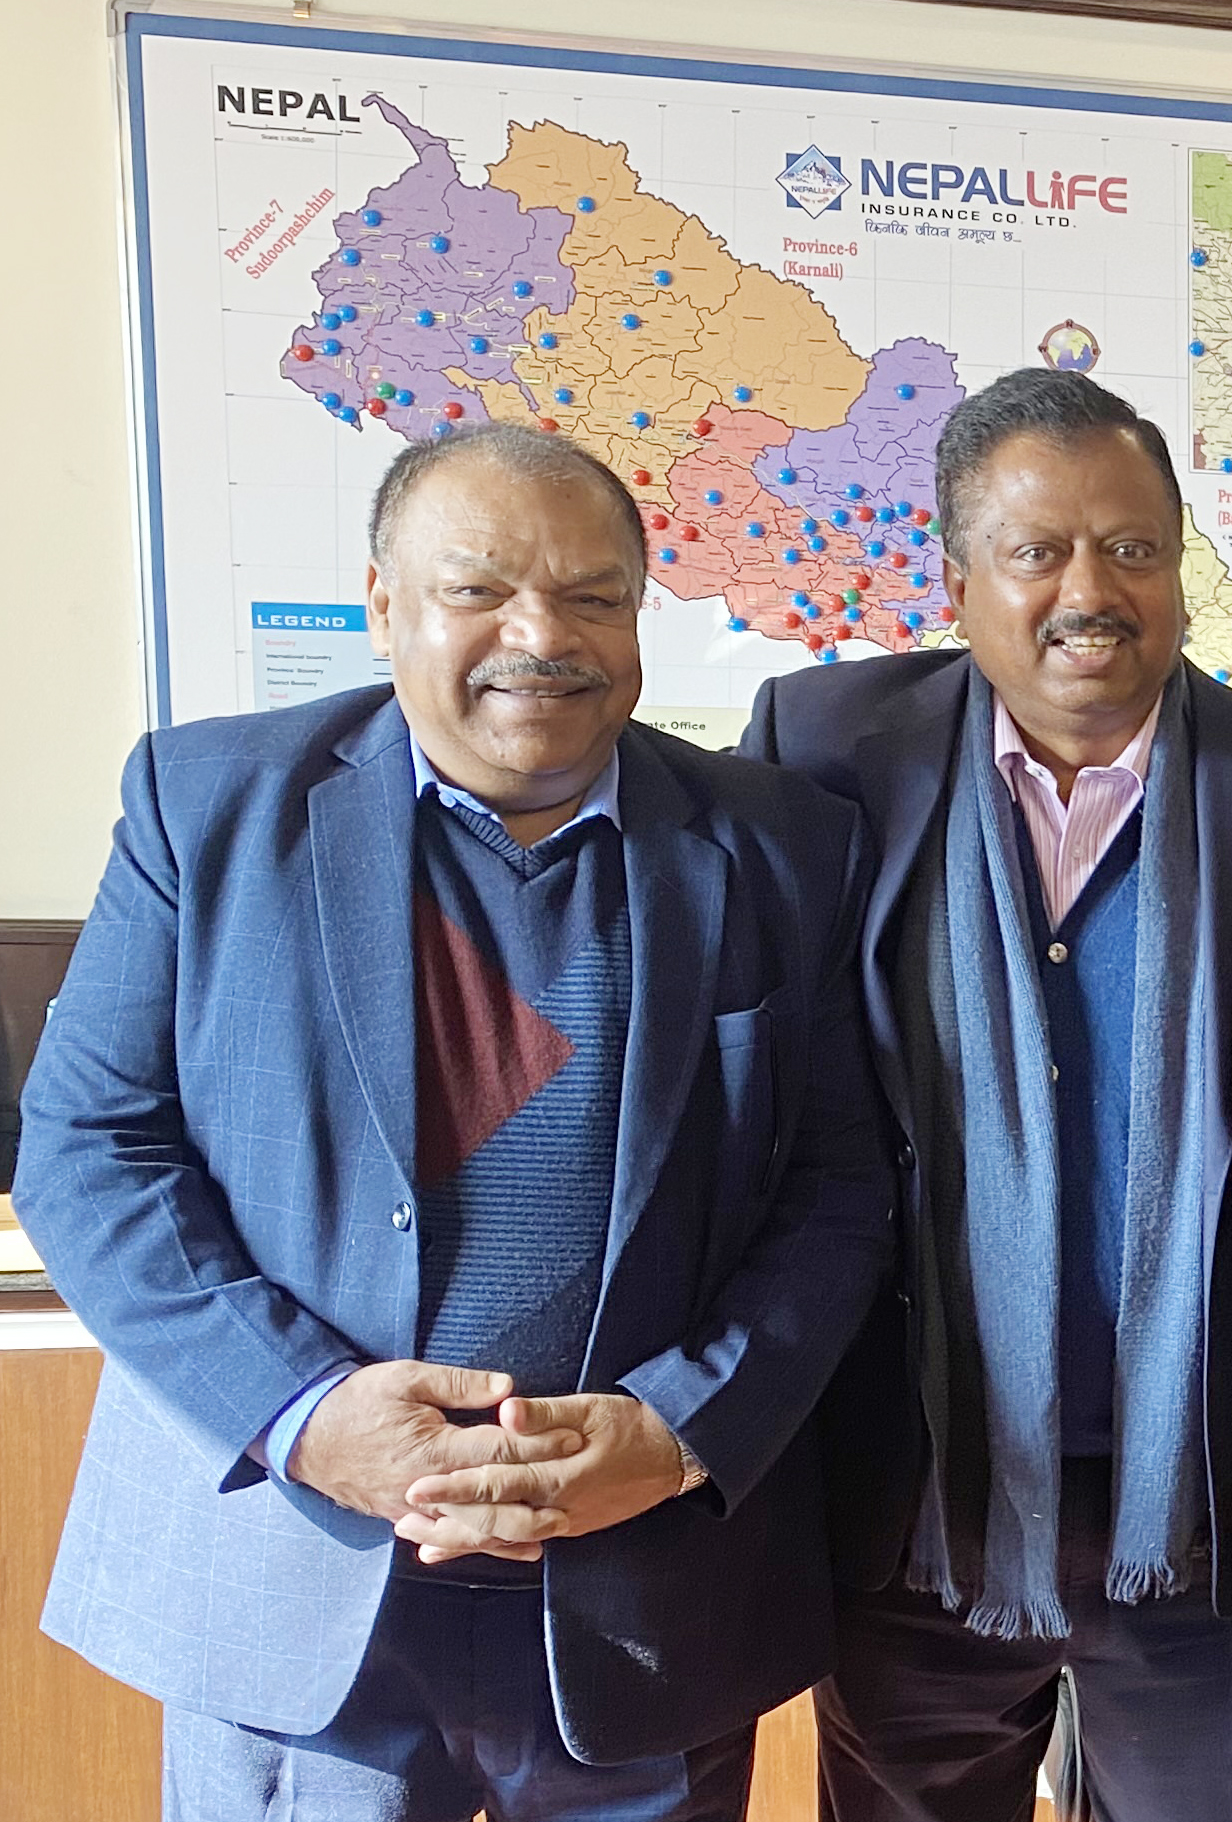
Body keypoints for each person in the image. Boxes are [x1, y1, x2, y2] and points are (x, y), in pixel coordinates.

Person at [14, 423, 894, 1820]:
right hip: (301, 1586)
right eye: (478, 589)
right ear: (383, 605)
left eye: (593, 595)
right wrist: (305, 1413)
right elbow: (90, 1147)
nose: (539, 637)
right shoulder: (208, 805)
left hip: (644, 1598)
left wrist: (680, 1429)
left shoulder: (784, 842)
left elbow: (840, 1185)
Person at [739, 366, 1232, 1822]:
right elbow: (759, 1107)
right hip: (916, 1491)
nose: (1090, 592)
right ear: (957, 582)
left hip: (1207, 1493)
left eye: (1131, 549)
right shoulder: (824, 754)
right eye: (1036, 551)